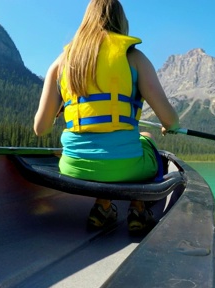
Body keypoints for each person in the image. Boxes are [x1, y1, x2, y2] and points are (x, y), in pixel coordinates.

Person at [34, 0, 180, 233]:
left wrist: (66, 106)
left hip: (72, 167)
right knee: (147, 137)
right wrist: (168, 125)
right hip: (125, 167)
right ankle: (138, 208)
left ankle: (103, 206)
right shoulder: (135, 58)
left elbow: (40, 128)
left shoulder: (60, 63)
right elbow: (171, 120)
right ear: (121, 22)